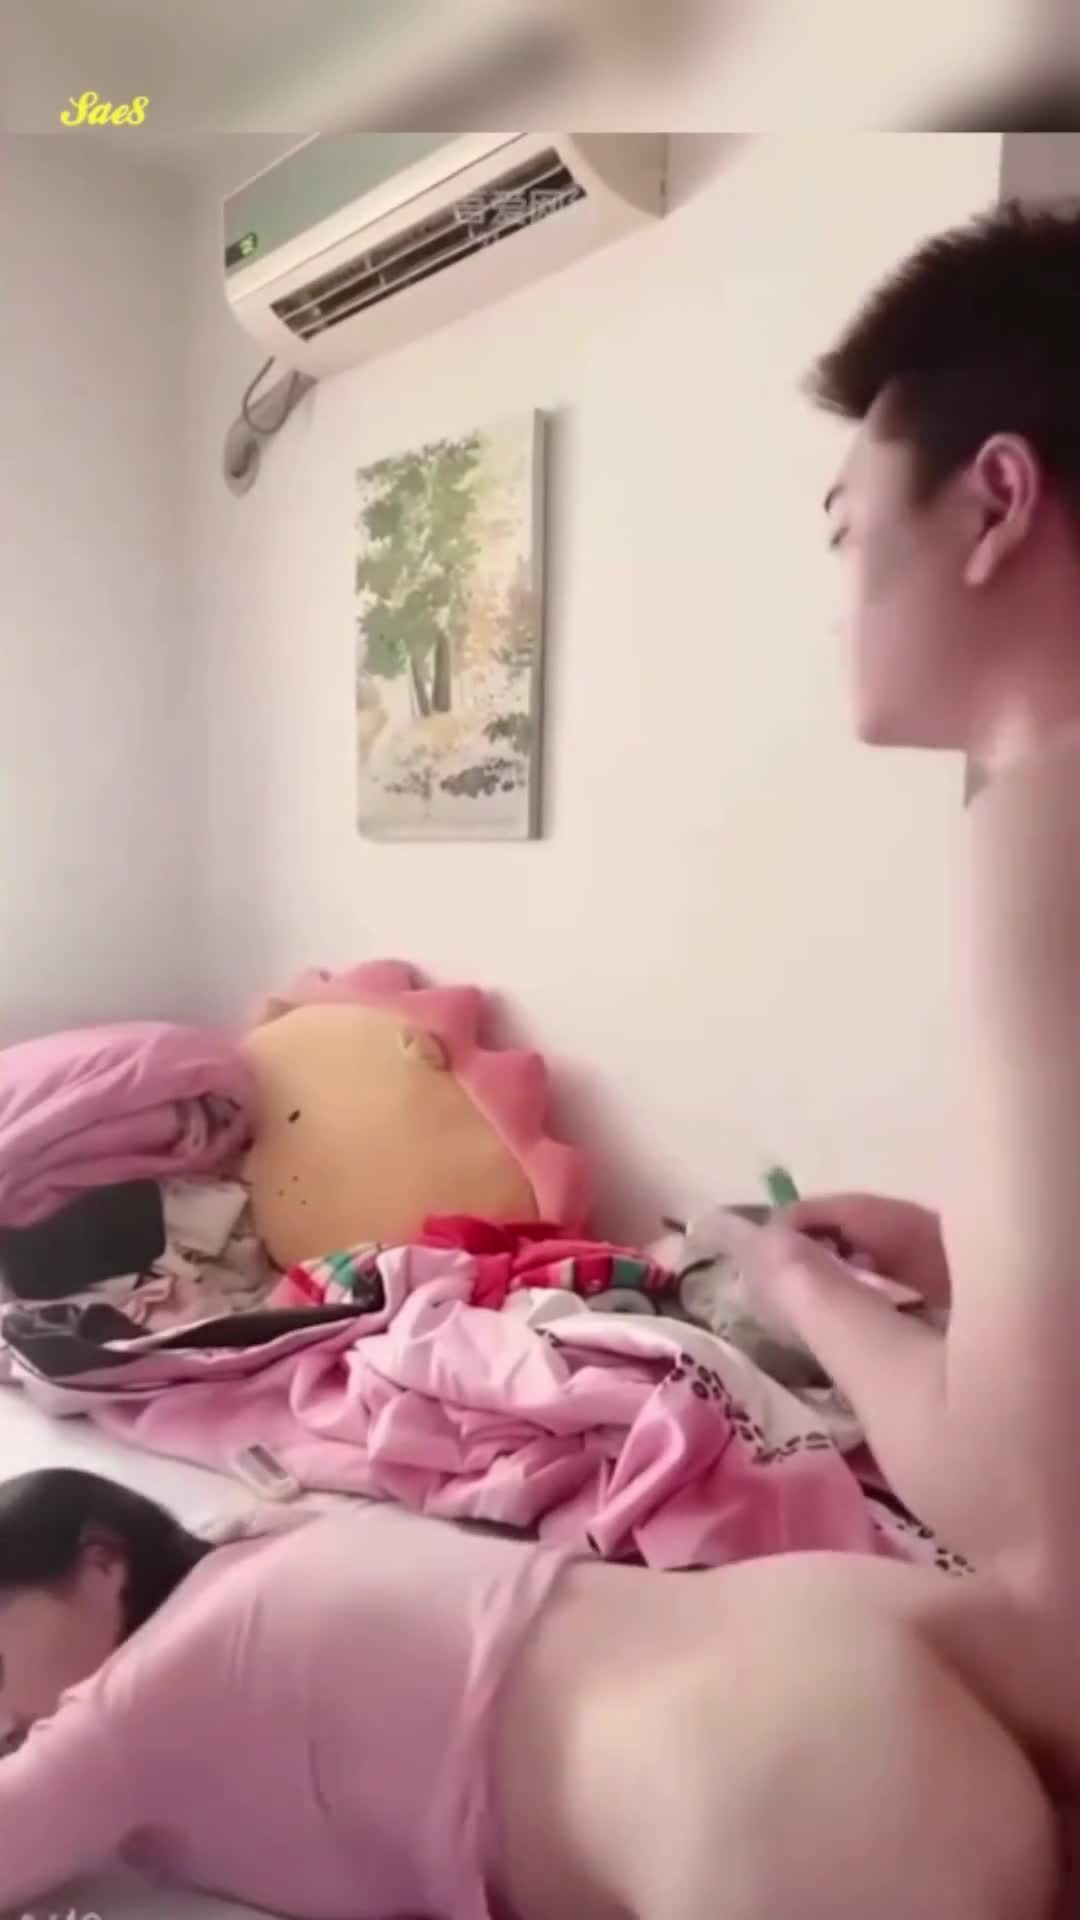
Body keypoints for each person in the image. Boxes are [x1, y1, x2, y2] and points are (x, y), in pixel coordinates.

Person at [5, 199, 1080, 1920]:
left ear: (997, 503)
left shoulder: (1047, 817)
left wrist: (801, 1290)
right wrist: (965, 1264)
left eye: (843, 530)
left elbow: (1023, 1508)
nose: (832, 604)